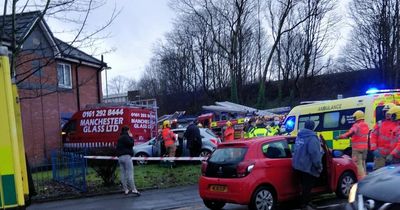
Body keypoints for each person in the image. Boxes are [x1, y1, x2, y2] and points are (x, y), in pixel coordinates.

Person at [292, 120, 324, 210]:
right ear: (312, 127)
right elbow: (315, 154)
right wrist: (319, 166)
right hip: (307, 166)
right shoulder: (312, 138)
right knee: (308, 186)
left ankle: (306, 202)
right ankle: (305, 205)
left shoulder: (300, 136)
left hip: (297, 165)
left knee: (303, 186)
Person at [337, 110, 369, 180]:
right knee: (363, 164)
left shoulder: (356, 125)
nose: (354, 119)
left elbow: (350, 132)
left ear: (357, 117)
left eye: (354, 117)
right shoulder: (366, 125)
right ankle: (366, 178)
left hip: (357, 148)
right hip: (365, 148)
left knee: (358, 165)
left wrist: (339, 137)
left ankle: (361, 180)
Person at [370, 103, 397, 170]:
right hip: (380, 155)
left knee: (392, 175)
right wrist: (374, 149)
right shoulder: (379, 123)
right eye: (385, 111)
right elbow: (373, 136)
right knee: (378, 173)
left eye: (389, 111)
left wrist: (393, 154)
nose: (387, 113)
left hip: (393, 156)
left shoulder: (397, 124)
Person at [116, 125, 140, 196]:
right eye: (129, 130)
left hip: (120, 158)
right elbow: (131, 143)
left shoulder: (120, 138)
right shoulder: (126, 137)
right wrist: (131, 137)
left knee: (123, 174)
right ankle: (134, 189)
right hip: (127, 157)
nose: (130, 132)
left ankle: (126, 190)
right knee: (130, 173)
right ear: (127, 130)